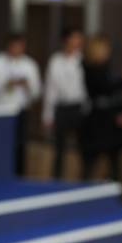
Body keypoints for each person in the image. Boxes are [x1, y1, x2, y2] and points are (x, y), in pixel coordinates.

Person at [0, 33, 41, 175]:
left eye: (20, 46)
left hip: (20, 110)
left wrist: (27, 85)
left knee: (20, 146)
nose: (17, 49)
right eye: (14, 46)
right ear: (8, 46)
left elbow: (37, 92)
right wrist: (5, 83)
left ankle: (18, 176)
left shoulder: (30, 64)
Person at [81, 35, 122, 181]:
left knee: (115, 157)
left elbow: (115, 92)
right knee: (91, 157)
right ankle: (85, 187)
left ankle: (117, 188)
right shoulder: (89, 69)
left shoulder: (108, 68)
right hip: (97, 118)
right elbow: (104, 87)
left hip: (111, 117)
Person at [43, 28, 88, 179]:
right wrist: (47, 115)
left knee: (83, 147)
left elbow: (87, 87)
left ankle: (83, 179)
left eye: (79, 38)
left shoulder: (83, 60)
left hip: (79, 107)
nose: (77, 42)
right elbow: (51, 89)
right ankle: (56, 180)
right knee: (59, 148)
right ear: (66, 40)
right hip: (61, 107)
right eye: (74, 38)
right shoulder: (55, 60)